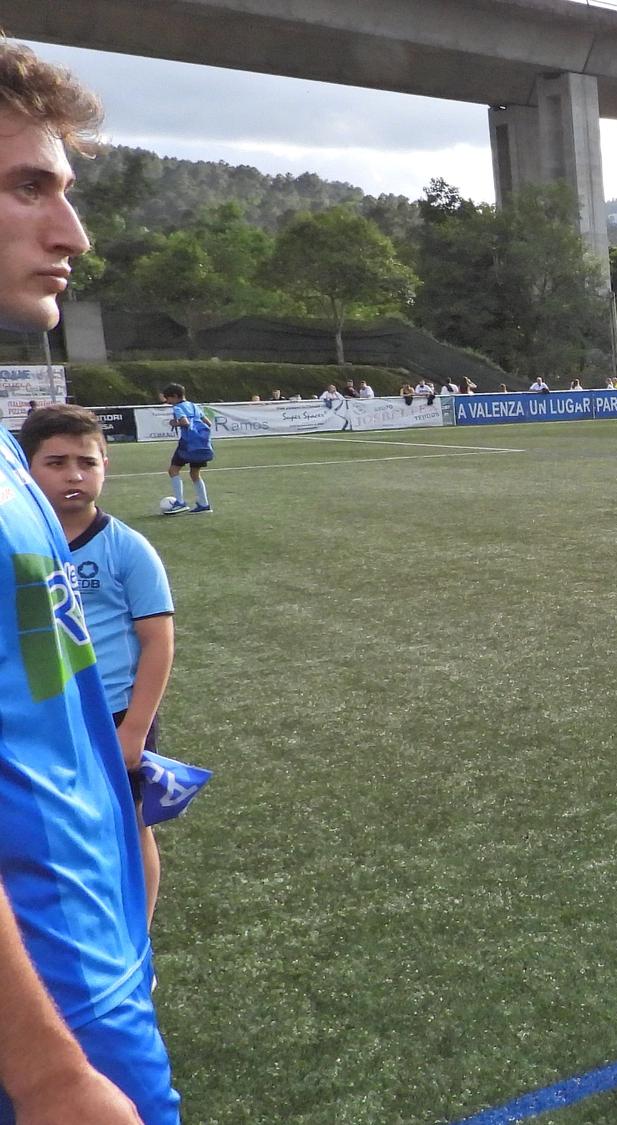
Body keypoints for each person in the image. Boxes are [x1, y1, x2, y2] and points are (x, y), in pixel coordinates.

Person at [0, 37, 180, 1125]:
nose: (74, 232)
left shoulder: (11, 468)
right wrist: (52, 1074)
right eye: (27, 187)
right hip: (48, 1017)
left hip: (89, 966)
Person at [21, 406, 178, 922]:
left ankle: (140, 936)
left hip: (112, 714)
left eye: (87, 463)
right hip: (38, 713)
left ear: (105, 466)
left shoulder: (128, 549)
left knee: (131, 825)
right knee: (50, 827)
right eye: (56, 462)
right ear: (26, 468)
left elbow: (157, 642)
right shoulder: (15, 548)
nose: (74, 475)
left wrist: (135, 729)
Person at [157, 384, 212, 516]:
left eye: (168, 398)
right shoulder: (194, 406)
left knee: (173, 470)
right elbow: (208, 423)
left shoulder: (178, 407)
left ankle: (180, 503)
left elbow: (185, 423)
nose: (168, 402)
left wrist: (174, 423)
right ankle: (204, 504)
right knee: (195, 474)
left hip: (187, 444)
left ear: (175, 396)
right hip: (201, 445)